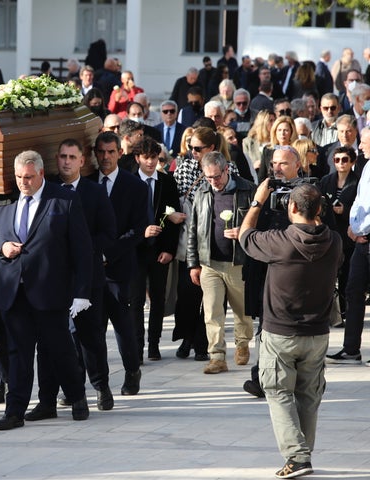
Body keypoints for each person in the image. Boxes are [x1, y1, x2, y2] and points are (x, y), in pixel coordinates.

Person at [240, 182, 342, 479]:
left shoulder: (280, 241)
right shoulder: (333, 242)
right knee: (309, 396)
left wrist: (258, 202)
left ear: (291, 208)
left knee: (278, 392)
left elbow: (246, 237)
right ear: (320, 210)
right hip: (318, 333)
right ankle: (303, 455)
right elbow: (319, 229)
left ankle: (297, 458)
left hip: (281, 333)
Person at [0, 150, 92, 430]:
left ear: (41, 174)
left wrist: (81, 292)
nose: (24, 182)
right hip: (14, 291)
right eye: (20, 177)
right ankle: (15, 411)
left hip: (51, 290)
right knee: (17, 354)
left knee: (59, 350)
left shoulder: (63, 199)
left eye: (29, 177)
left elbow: (82, 250)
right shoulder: (3, 201)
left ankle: (77, 396)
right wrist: (2, 248)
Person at [35, 138, 116, 414]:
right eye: (62, 157)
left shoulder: (94, 192)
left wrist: (81, 247)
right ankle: (72, 389)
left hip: (87, 276)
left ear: (82, 160)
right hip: (56, 278)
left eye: (72, 157)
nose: (66, 162)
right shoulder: (48, 191)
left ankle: (101, 385)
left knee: (90, 337)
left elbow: (108, 232)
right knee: (60, 338)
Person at [86, 131, 147, 394]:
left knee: (123, 326)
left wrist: (107, 254)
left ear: (120, 154)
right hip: (89, 270)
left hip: (119, 269)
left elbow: (138, 229)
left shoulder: (135, 186)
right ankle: (100, 381)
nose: (106, 157)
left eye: (111, 152)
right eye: (101, 152)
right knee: (93, 328)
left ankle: (132, 371)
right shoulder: (86, 184)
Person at [187, 151, 255, 374]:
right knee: (212, 312)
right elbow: (193, 230)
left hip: (238, 261)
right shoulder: (202, 192)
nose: (213, 181)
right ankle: (217, 356)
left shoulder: (247, 189)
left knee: (242, 310)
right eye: (208, 177)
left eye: (216, 176)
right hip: (210, 263)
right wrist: (193, 264)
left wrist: (243, 231)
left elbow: (260, 221)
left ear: (227, 170)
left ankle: (243, 343)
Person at [131, 137, 182, 361]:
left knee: (158, 299)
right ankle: (137, 345)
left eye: (154, 158)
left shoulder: (167, 181)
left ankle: (154, 344)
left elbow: (173, 216)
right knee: (135, 300)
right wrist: (140, 233)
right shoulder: (130, 182)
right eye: (146, 158)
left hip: (160, 250)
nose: (150, 163)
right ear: (137, 158)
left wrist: (170, 249)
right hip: (136, 250)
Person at [326, 127, 370, 364]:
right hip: (360, 242)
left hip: (367, 237)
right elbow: (358, 202)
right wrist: (353, 228)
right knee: (353, 292)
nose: (360, 147)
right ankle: (351, 348)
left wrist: (363, 230)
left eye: (364, 142)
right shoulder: (366, 168)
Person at [320, 146, 359, 327]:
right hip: (328, 234)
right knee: (327, 276)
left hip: (348, 235)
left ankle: (343, 311)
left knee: (346, 276)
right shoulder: (326, 180)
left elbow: (362, 209)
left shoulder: (358, 183)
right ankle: (328, 312)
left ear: (352, 162)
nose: (341, 163)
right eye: (337, 160)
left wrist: (345, 211)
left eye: (345, 160)